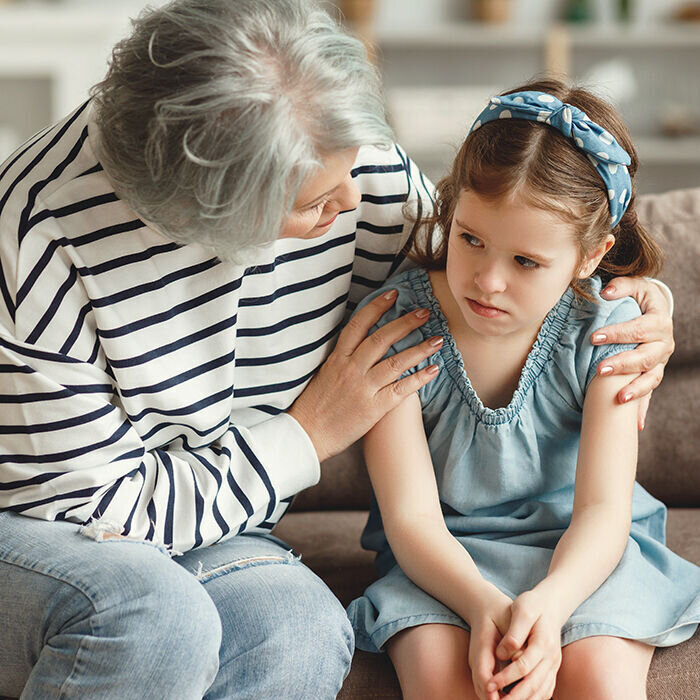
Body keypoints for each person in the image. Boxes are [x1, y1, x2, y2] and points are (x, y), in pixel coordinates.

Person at [0, 0, 674, 694]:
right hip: (51, 526)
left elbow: (515, 253)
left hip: (221, 524)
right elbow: (98, 511)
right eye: (316, 204)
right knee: (156, 618)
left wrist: (646, 297)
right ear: (211, 223)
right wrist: (308, 433)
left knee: (300, 630)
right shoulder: (33, 242)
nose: (354, 202)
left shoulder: (344, 164)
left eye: (356, 170)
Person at [347, 78, 700, 700]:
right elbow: (411, 519)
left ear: (591, 256)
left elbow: (602, 512)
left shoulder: (608, 332)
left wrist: (552, 604)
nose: (487, 281)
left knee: (598, 681)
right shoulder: (396, 326)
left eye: (526, 262)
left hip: (588, 553)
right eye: (470, 239)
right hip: (441, 558)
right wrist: (485, 606)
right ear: (451, 212)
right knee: (440, 679)